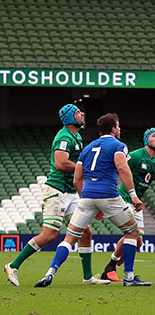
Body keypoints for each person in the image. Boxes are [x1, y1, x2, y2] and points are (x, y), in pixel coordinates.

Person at [35, 113, 151, 287]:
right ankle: (128, 277)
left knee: (69, 238)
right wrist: (133, 195)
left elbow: (76, 179)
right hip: (109, 195)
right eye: (118, 126)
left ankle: (50, 273)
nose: (119, 129)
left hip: (87, 195)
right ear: (113, 129)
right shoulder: (119, 145)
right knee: (133, 233)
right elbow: (122, 168)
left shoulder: (87, 148)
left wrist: (88, 200)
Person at [4, 104, 109, 286]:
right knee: (50, 234)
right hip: (57, 190)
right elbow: (60, 163)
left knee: (85, 232)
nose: (82, 113)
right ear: (69, 117)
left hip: (69, 191)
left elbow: (75, 173)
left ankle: (88, 277)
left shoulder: (76, 136)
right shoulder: (64, 136)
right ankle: (13, 265)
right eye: (77, 112)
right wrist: (84, 168)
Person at [99, 127, 155, 281]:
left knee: (138, 241)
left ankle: (111, 269)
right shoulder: (136, 156)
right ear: (147, 140)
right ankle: (113, 267)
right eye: (154, 136)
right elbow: (119, 168)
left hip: (137, 202)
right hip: (125, 197)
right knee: (131, 234)